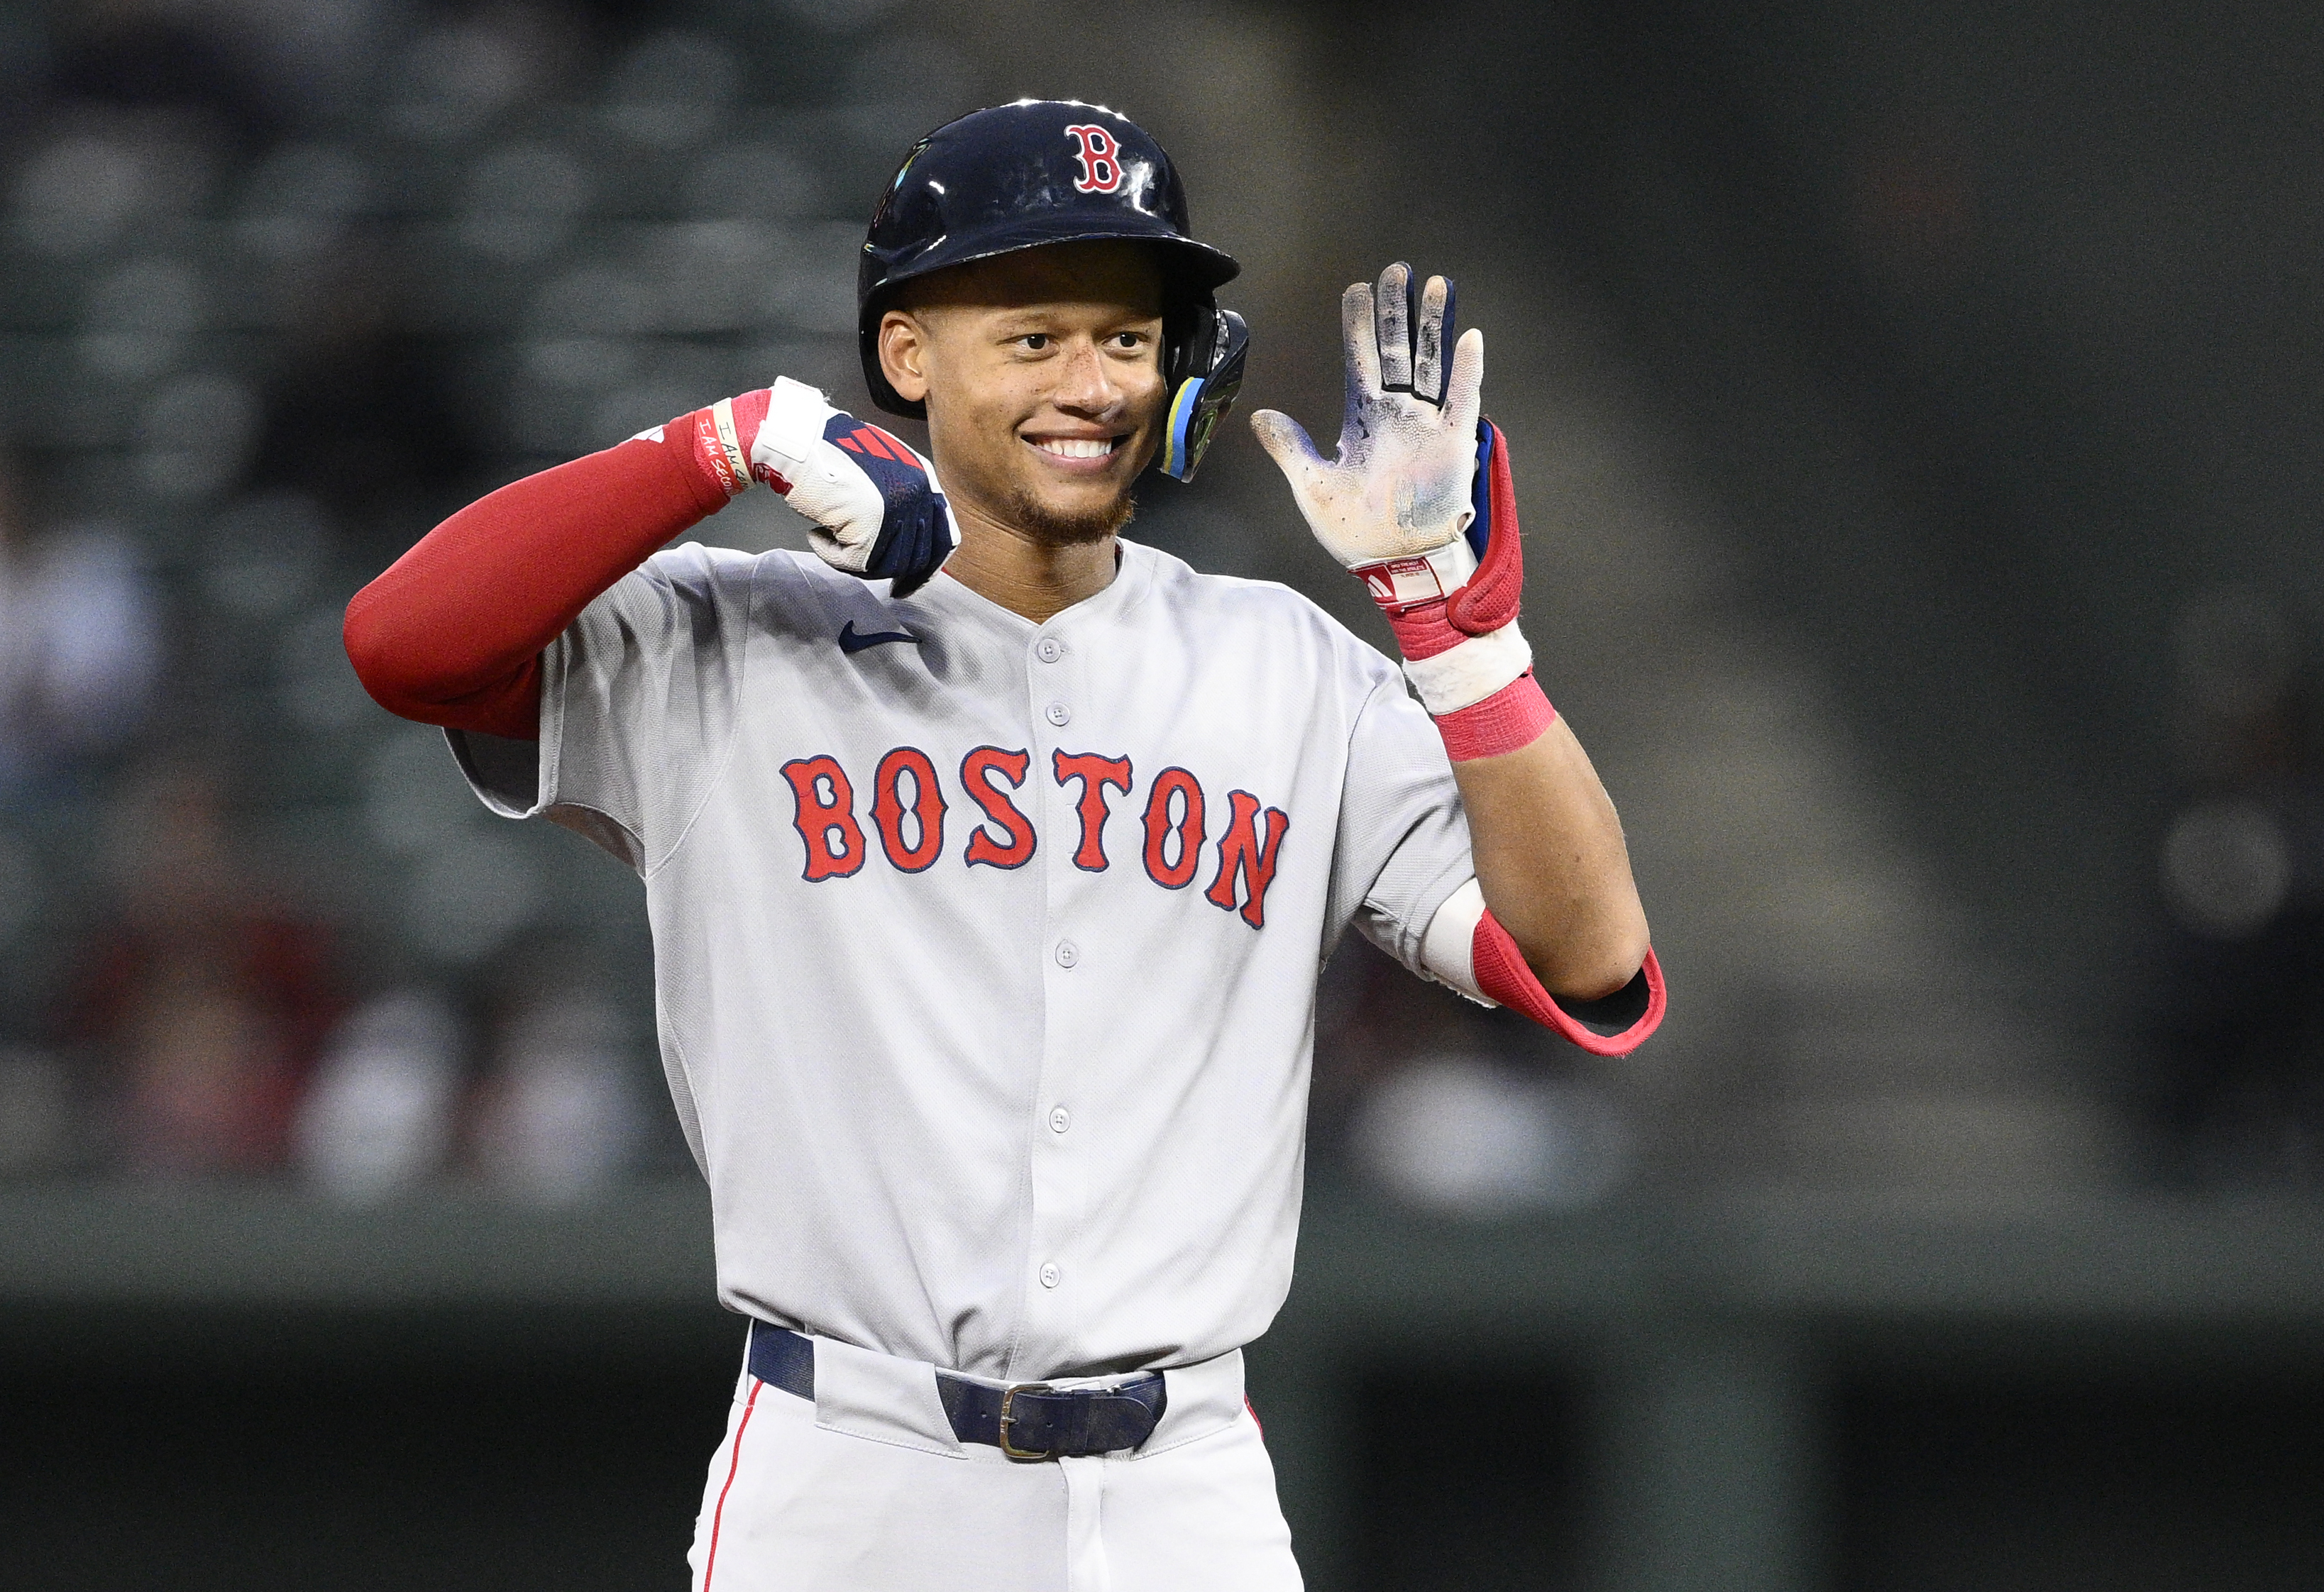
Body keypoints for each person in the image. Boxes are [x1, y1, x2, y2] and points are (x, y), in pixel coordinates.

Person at [345, 99, 1661, 1592]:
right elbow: (404, 646)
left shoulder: (1291, 668)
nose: (1092, 382)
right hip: (854, 1474)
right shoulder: (737, 634)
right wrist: (722, 445)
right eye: (1033, 336)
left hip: (1186, 1495)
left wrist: (1462, 637)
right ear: (909, 357)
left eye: (1127, 336)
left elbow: (1586, 951)